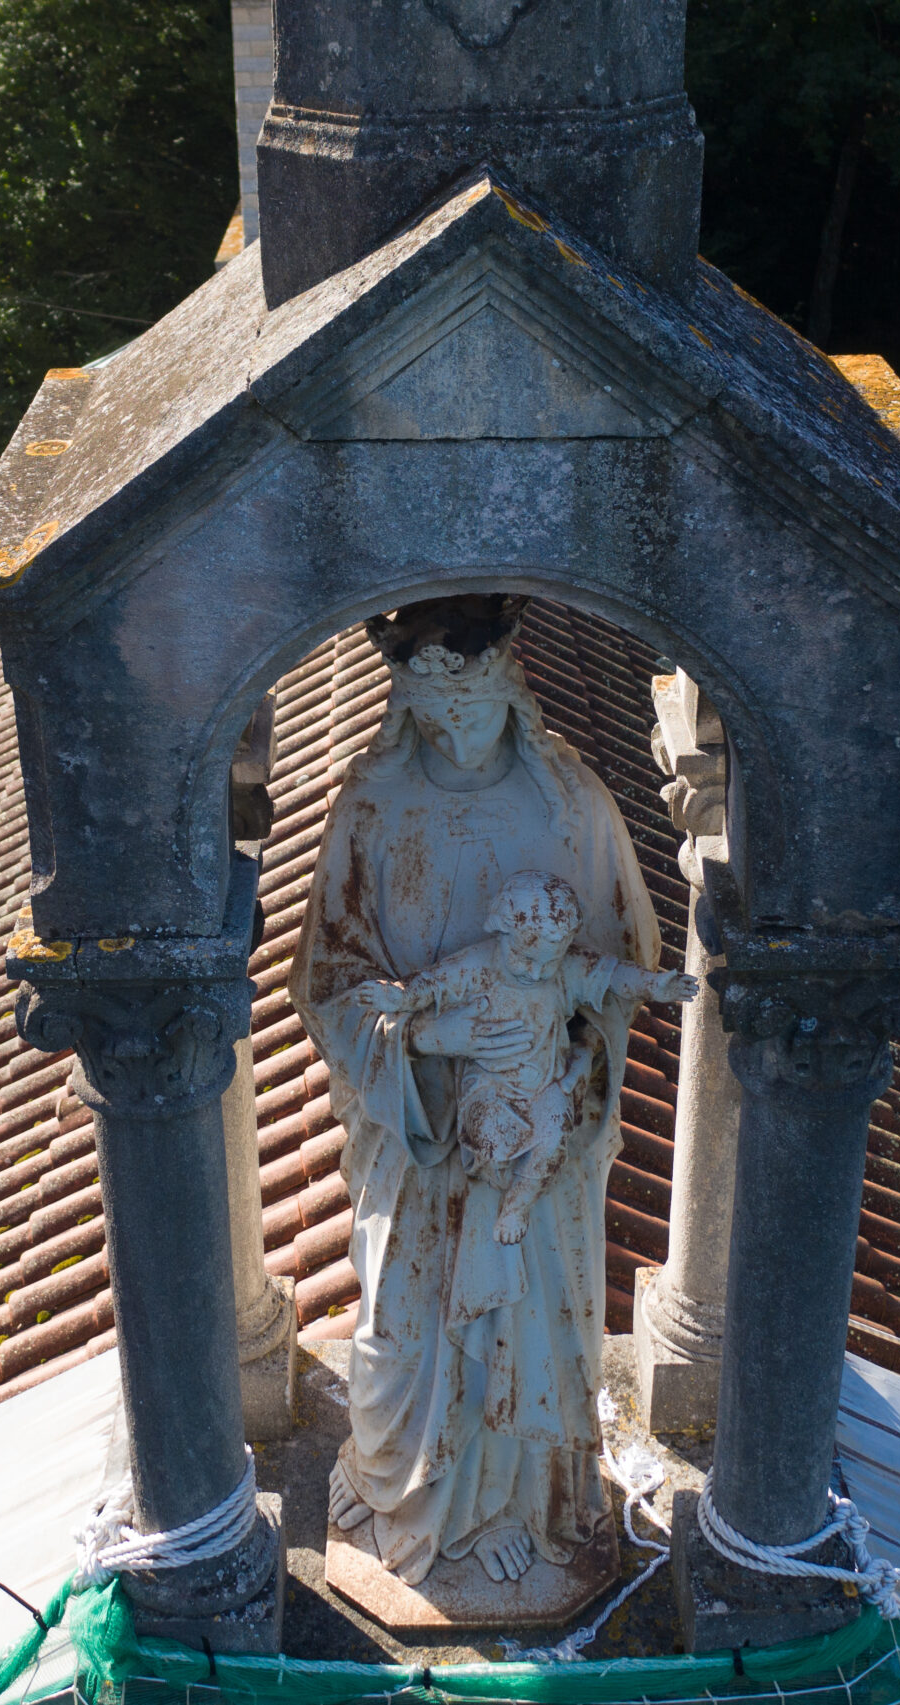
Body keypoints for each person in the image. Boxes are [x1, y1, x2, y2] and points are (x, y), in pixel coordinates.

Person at [289, 594, 664, 1590]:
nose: (455, 733)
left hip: (536, 1121)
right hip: (413, 1126)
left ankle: (513, 1504)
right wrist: (415, 1041)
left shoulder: (570, 803)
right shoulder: (368, 808)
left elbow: (623, 958)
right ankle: (420, 1502)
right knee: (405, 1319)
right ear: (403, 709)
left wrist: (554, 1064)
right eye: (434, 715)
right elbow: (327, 980)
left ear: (514, 701)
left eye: (475, 711)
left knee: (527, 1316)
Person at [350, 871, 697, 1248]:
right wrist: (397, 998)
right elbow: (430, 985)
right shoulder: (476, 966)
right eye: (524, 958)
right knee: (487, 1134)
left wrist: (655, 985)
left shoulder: (565, 970)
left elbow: (613, 975)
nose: (535, 972)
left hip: (548, 1082)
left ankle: (516, 1205)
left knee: (552, 1139)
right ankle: (498, 1169)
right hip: (488, 1085)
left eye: (547, 963)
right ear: (500, 932)